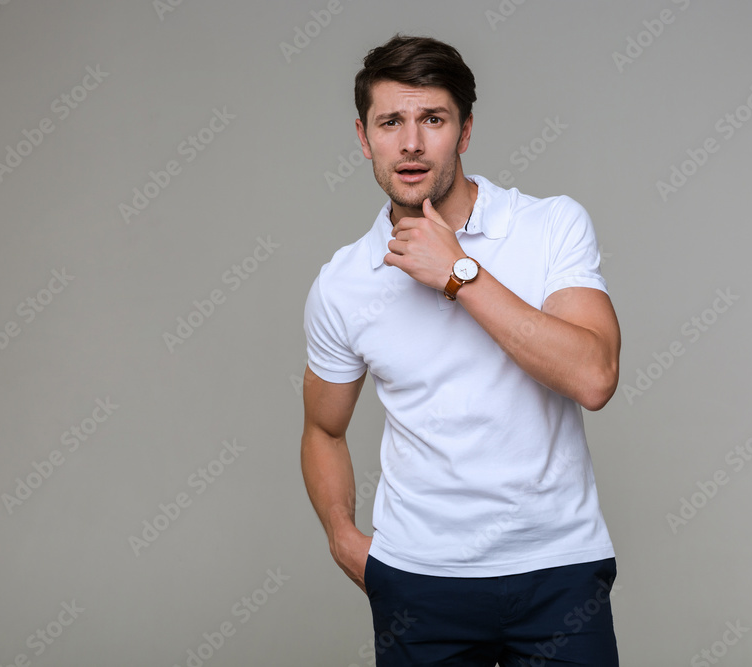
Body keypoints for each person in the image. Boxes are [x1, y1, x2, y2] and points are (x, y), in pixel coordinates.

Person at [301, 33, 622, 667]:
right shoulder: (344, 281)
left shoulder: (550, 225)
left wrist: (459, 271)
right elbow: (322, 429)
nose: (412, 142)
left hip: (558, 570)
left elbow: (593, 377)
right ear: (364, 139)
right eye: (390, 122)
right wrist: (344, 539)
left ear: (465, 131)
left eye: (433, 119)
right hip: (418, 581)